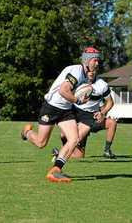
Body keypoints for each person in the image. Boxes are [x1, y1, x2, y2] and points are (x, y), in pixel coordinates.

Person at [21, 47, 101, 183]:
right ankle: (27, 133)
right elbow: (63, 91)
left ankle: (55, 170)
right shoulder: (77, 71)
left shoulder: (85, 75)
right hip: (51, 107)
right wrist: (77, 100)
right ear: (87, 60)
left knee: (74, 139)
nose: (97, 63)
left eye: (98, 60)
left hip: (66, 110)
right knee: (41, 143)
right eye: (95, 60)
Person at [54, 69, 117, 159]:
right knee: (77, 154)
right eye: (89, 70)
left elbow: (110, 102)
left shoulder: (102, 85)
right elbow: (65, 93)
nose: (91, 72)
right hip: (76, 113)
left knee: (112, 123)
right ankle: (63, 151)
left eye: (93, 70)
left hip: (92, 116)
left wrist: (102, 113)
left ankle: (107, 151)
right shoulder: (78, 80)